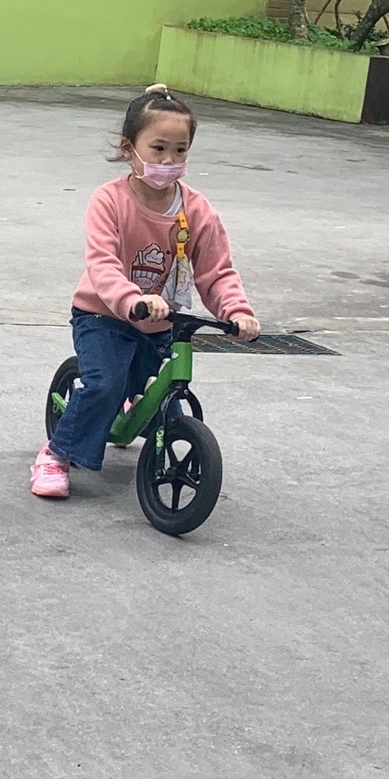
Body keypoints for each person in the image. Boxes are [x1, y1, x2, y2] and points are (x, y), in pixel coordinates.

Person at [31, 85, 261, 499]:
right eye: (158, 149)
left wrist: (237, 311)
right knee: (104, 384)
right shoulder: (110, 201)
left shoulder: (197, 211)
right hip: (104, 315)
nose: (169, 161)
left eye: (180, 150)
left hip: (161, 322)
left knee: (162, 396)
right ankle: (56, 454)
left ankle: (139, 416)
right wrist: (131, 299)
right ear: (129, 149)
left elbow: (216, 271)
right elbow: (102, 263)